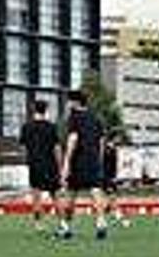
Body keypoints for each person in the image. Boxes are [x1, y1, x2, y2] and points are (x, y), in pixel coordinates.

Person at [58, 90, 108, 240]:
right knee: (95, 191)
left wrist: (66, 162)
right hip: (93, 159)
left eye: (69, 101)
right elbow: (101, 141)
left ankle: (66, 227)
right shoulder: (96, 118)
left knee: (71, 194)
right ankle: (101, 222)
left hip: (78, 160)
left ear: (75, 102)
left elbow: (73, 138)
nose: (67, 105)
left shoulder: (74, 117)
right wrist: (98, 159)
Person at [19, 100, 62, 232]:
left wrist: (28, 158)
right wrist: (60, 166)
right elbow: (57, 149)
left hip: (34, 164)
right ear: (46, 110)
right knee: (55, 196)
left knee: (36, 196)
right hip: (50, 164)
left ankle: (38, 224)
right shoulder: (52, 127)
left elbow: (23, 147)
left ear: (33, 109)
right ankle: (62, 223)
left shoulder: (26, 127)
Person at [102, 132, 129, 228]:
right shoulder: (106, 149)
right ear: (113, 138)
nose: (120, 140)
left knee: (111, 199)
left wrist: (115, 176)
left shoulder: (114, 149)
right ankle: (118, 217)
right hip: (106, 178)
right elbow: (105, 165)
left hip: (111, 177)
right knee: (112, 198)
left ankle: (109, 217)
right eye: (118, 138)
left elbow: (114, 165)